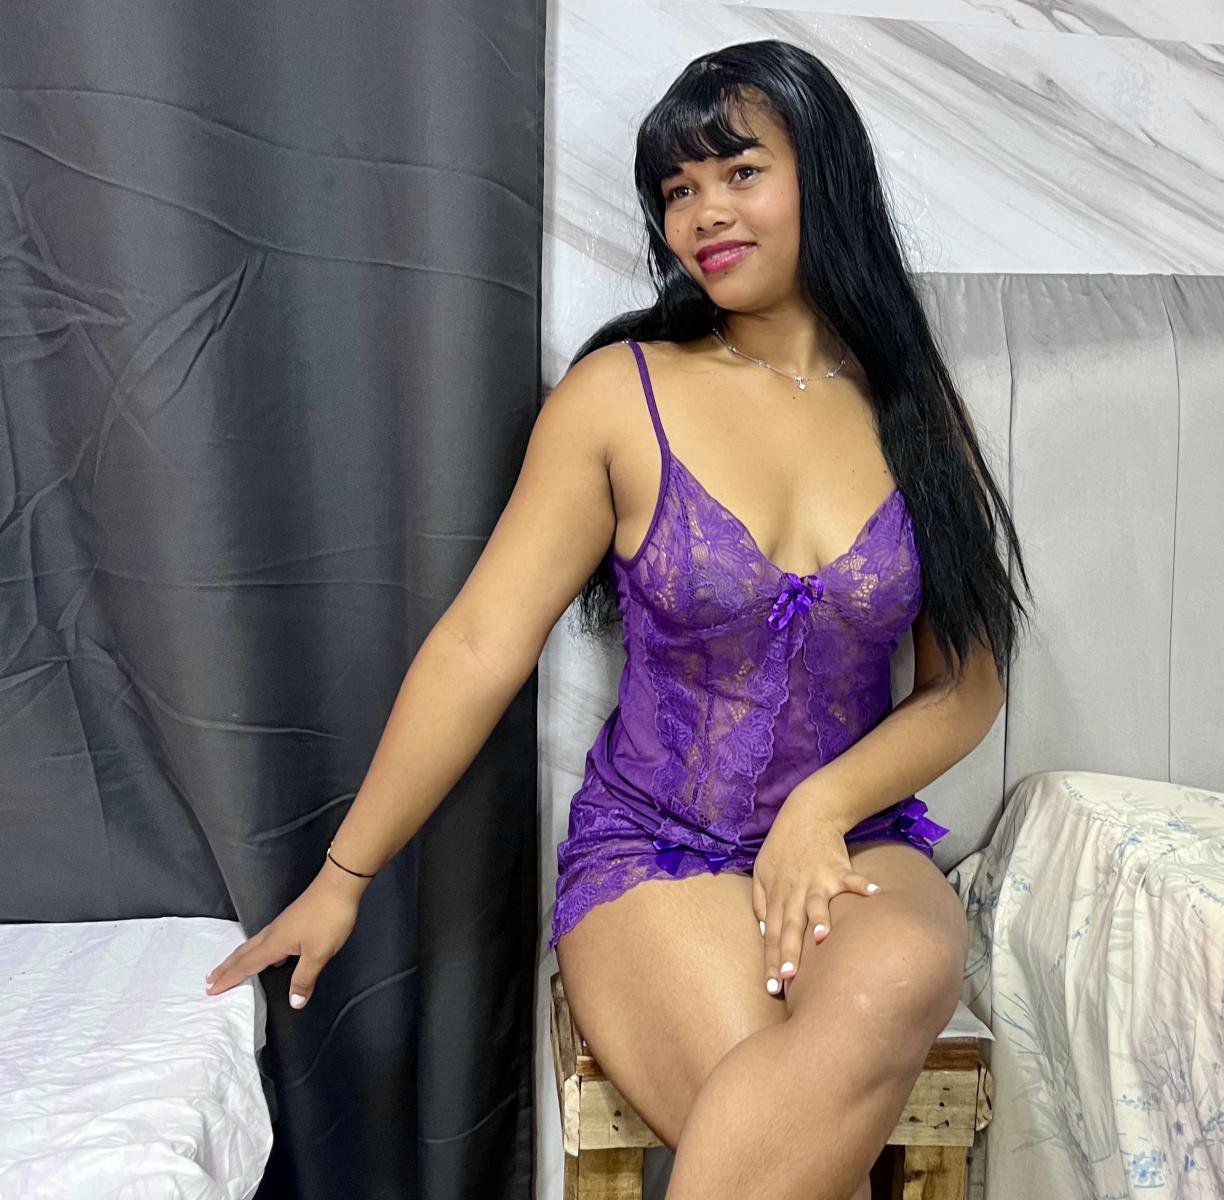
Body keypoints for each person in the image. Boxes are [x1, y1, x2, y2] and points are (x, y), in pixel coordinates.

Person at [204, 38, 1031, 1200]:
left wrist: (820, 806)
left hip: (855, 841)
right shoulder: (619, 396)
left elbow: (966, 686)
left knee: (899, 974)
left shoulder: (918, 413)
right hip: (657, 849)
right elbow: (480, 646)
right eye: (677, 190)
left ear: (825, 175)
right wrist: (344, 874)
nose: (704, 213)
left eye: (740, 172)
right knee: (795, 1152)